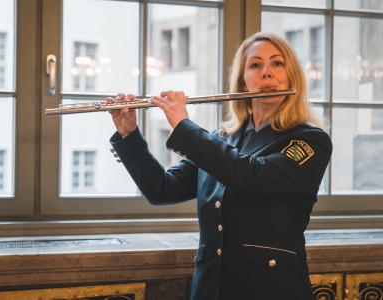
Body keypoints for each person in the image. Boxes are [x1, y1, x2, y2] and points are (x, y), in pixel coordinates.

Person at [107, 32, 332, 300]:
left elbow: (254, 175)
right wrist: (129, 135)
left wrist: (184, 127)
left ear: (291, 75)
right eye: (255, 65)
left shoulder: (310, 140)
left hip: (271, 289)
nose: (267, 74)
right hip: (210, 289)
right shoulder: (221, 139)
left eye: (277, 64)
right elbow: (162, 190)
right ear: (243, 81)